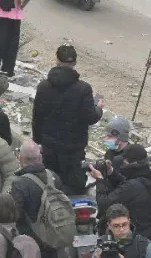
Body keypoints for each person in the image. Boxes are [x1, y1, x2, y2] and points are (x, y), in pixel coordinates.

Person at [31, 44, 102, 194]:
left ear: (56, 60)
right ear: (74, 63)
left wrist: (38, 140)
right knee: (73, 188)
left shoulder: (43, 87)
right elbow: (91, 117)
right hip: (73, 149)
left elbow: (37, 116)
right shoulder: (83, 89)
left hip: (49, 145)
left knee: (49, 184)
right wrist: (99, 108)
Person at [94, 144, 151, 242]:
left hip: (132, 240)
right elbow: (127, 185)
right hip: (149, 235)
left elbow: (103, 203)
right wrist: (112, 173)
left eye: (125, 160)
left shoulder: (132, 186)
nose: (123, 163)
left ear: (134, 163)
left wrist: (100, 180)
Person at [9, 140, 65, 255]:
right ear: (41, 158)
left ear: (20, 159)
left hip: (32, 243)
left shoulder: (19, 184)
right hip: (55, 237)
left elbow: (15, 215)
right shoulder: (54, 176)